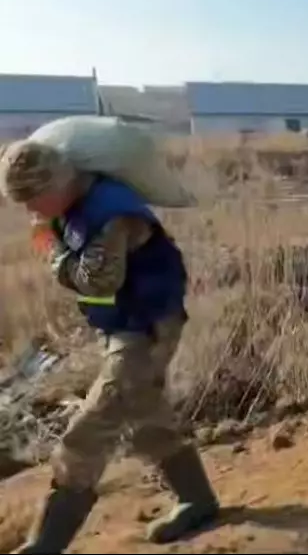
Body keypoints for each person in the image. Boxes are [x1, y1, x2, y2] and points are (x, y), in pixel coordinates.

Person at [0, 141, 219, 553]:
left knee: (90, 430)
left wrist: (51, 249)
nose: (31, 210)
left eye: (33, 199)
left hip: (146, 328)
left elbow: (99, 279)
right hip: (128, 324)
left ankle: (46, 543)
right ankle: (198, 500)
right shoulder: (76, 204)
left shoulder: (111, 215)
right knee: (144, 417)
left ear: (56, 184)